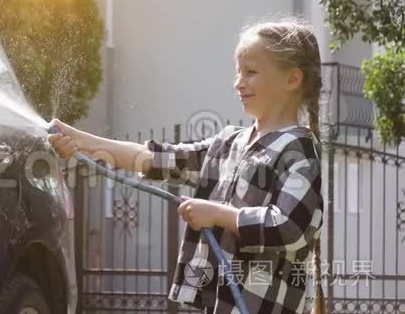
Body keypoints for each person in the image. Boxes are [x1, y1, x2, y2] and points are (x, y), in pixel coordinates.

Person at [48, 17, 325, 314]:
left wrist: (217, 214)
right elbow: (151, 158)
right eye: (238, 72)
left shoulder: (298, 149)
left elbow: (290, 227)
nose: (238, 82)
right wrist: (79, 140)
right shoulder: (228, 142)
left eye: (251, 72)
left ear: (292, 79)